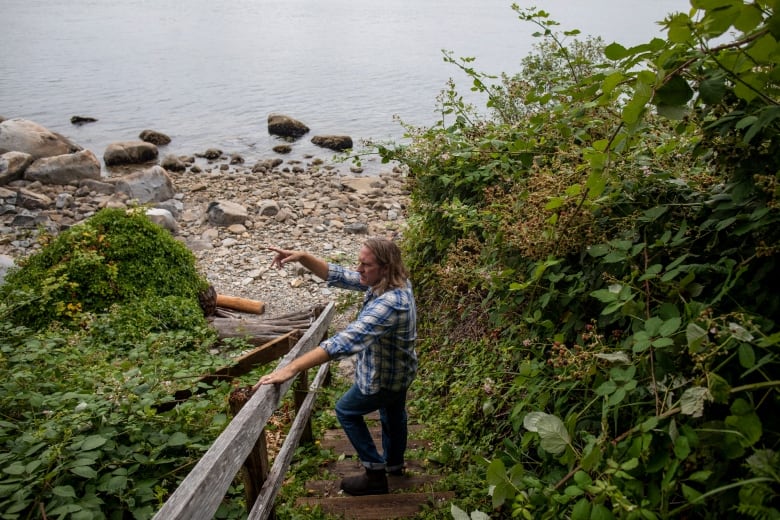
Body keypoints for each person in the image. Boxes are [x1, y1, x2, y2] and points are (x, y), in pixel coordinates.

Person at [253, 237, 418, 496]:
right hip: (401, 371)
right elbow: (341, 275)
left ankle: (375, 473)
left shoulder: (390, 304)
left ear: (385, 267)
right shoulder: (392, 282)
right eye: (359, 262)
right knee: (393, 414)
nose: (359, 269)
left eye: (366, 264)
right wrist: (303, 256)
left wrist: (291, 368)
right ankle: (394, 464)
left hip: (383, 379)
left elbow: (343, 341)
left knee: (347, 411)